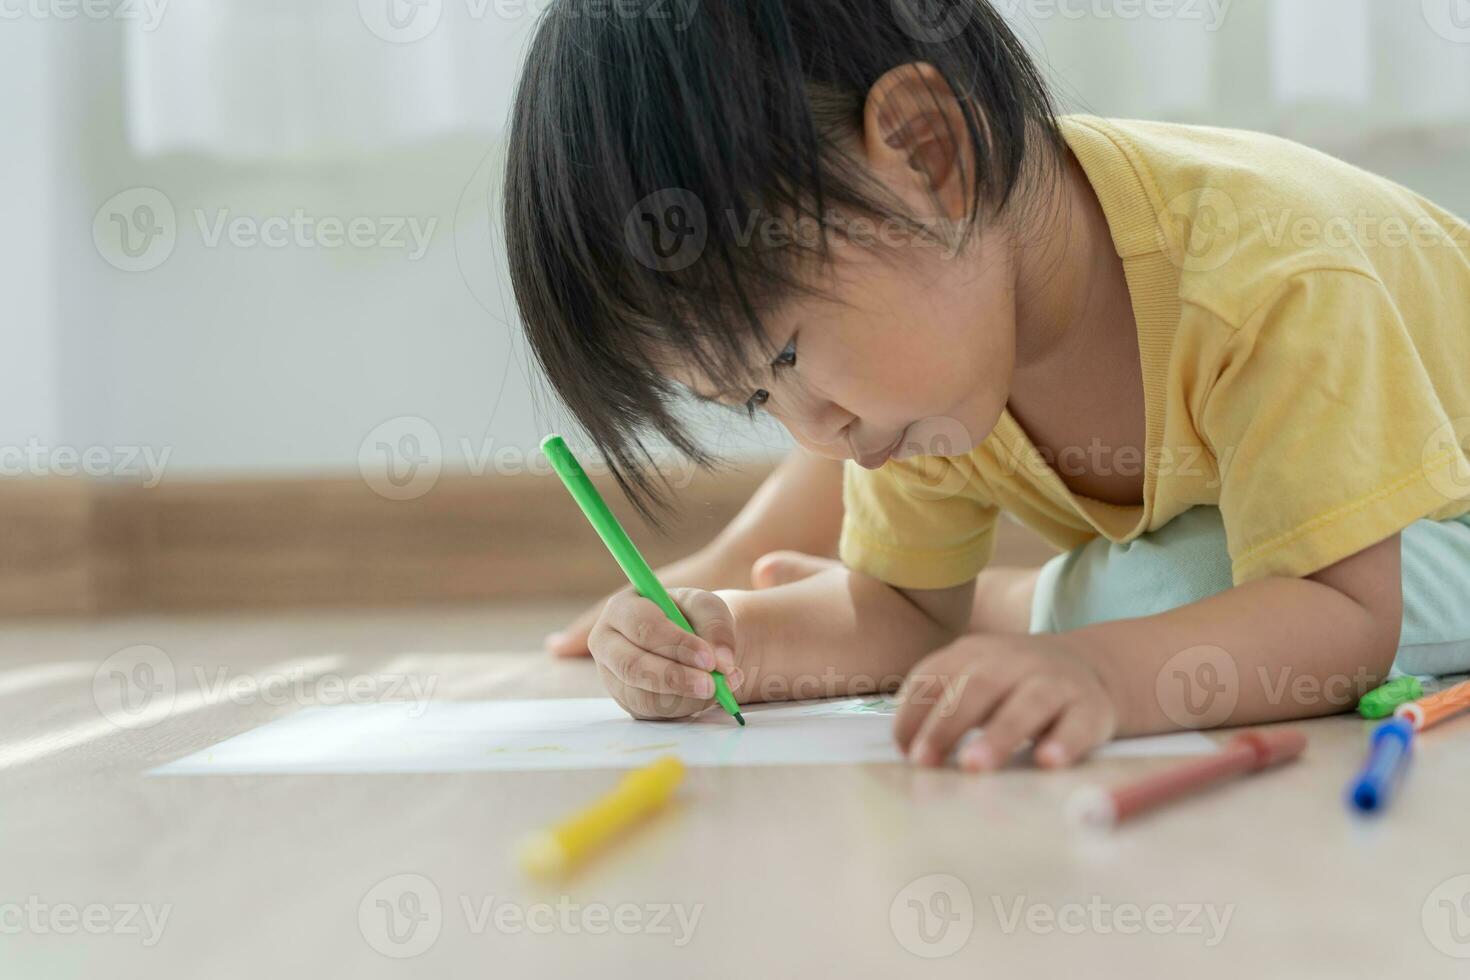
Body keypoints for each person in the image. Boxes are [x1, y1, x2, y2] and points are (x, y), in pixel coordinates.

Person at [505, 0, 1470, 769]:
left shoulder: (1263, 275)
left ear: (930, 154)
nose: (818, 434)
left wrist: (1097, 672)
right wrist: (733, 647)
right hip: (1318, 541)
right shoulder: (930, 354)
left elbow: (1344, 618)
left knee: (1190, 592)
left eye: (788, 356)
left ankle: (1045, 605)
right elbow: (908, 613)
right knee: (1189, 587)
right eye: (757, 399)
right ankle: (1052, 605)